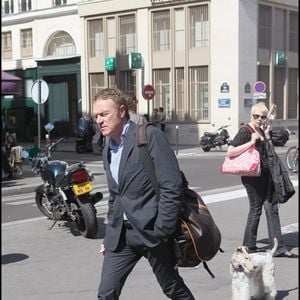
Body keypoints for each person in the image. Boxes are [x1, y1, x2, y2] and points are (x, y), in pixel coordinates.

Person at [92, 88, 195, 300]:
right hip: (121, 237)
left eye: (104, 114)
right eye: (96, 116)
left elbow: (171, 185)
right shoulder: (107, 146)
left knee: (173, 289)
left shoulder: (148, 136)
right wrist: (111, 233)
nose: (99, 120)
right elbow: (115, 194)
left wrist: (162, 230)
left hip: (152, 232)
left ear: (122, 111)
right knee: (106, 293)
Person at [226, 102, 297, 258]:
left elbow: (269, 150)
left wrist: (267, 137)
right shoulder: (246, 130)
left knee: (272, 208)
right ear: (251, 115)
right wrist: (251, 142)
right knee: (256, 209)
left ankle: (278, 247)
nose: (259, 119)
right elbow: (230, 152)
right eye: (256, 116)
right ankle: (248, 246)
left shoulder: (263, 129)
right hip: (253, 177)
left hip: (268, 175)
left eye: (262, 116)